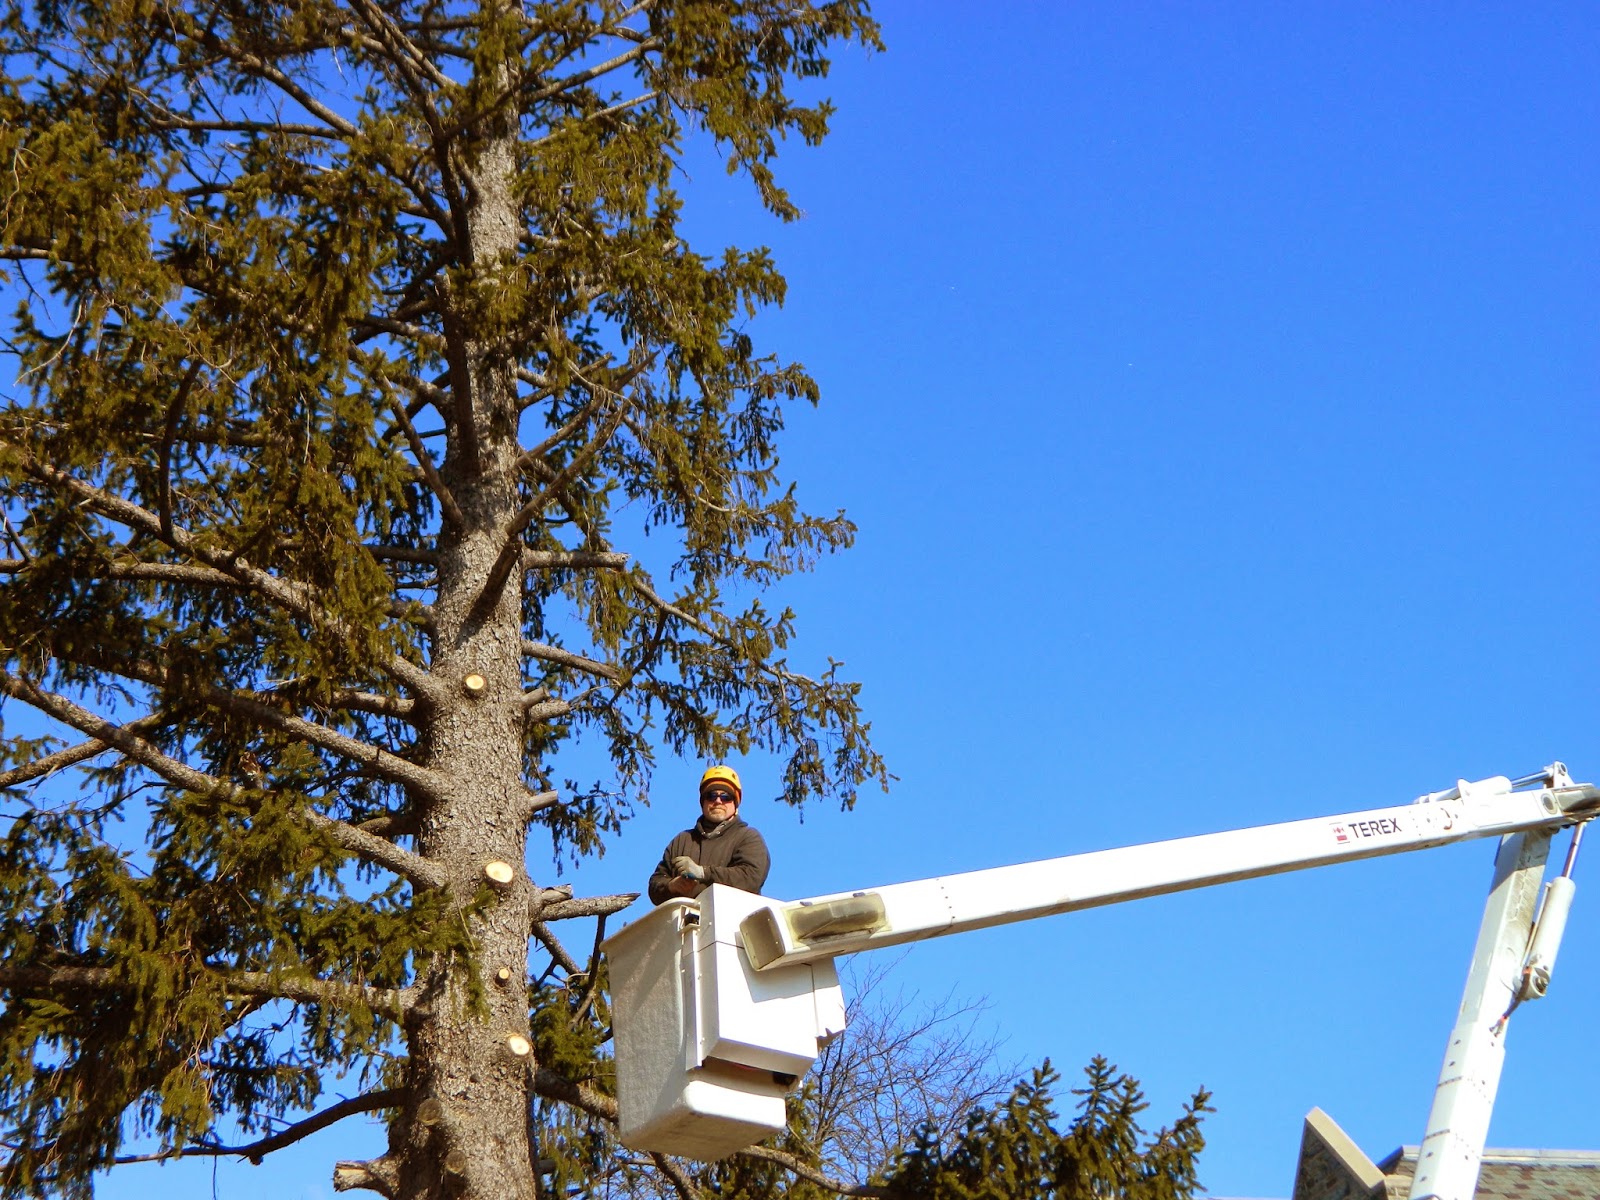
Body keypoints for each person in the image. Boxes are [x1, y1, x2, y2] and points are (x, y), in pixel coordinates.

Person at [648, 765, 770, 904]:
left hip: (732, 920)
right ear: (703, 801)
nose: (718, 801)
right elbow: (655, 884)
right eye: (711, 795)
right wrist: (672, 886)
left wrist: (703, 873)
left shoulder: (748, 837)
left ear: (735, 803)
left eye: (726, 796)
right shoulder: (682, 840)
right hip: (686, 923)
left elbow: (751, 877)